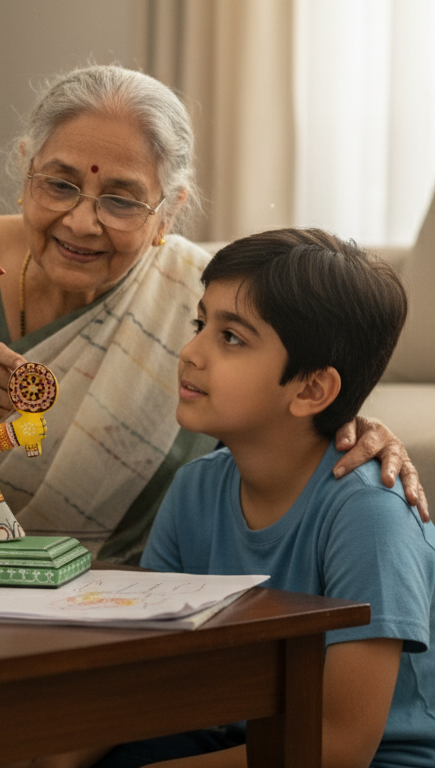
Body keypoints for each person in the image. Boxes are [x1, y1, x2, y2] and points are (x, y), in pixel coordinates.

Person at [0, 64, 428, 563]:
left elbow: (290, 420)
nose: (81, 221)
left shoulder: (197, 303)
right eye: (59, 184)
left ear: (169, 211)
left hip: (136, 590)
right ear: (25, 173)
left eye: (121, 200)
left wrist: (356, 428)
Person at [88, 229, 435, 768]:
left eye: (232, 338)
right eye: (200, 324)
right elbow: (154, 673)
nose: (190, 352)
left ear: (311, 390)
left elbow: (341, 746)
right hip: (232, 733)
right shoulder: (195, 489)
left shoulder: (368, 514)